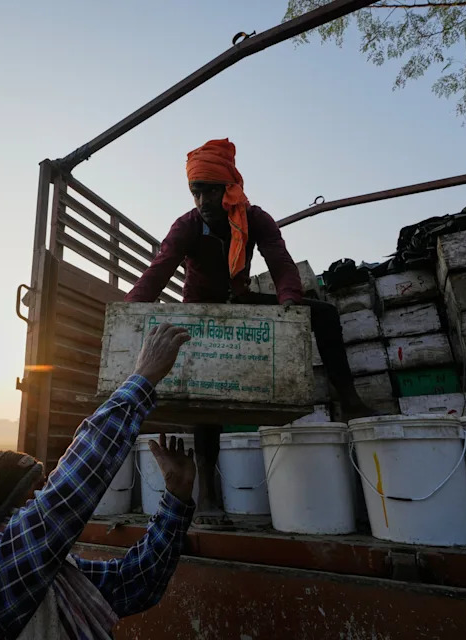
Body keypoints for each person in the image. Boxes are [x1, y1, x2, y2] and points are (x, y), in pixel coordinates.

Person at [125, 138, 372, 523]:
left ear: (230, 188)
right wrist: (128, 311)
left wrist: (289, 301)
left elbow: (280, 262)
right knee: (207, 387)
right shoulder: (187, 226)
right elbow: (159, 270)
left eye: (211, 189)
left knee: (321, 313)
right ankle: (207, 494)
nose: (204, 200)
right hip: (200, 311)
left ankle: (351, 400)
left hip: (238, 302)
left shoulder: (255, 219)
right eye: (196, 191)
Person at [0, 323, 196, 640]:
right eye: (34, 492)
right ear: (2, 512)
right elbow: (64, 498)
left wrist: (176, 497)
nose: (43, 496)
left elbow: (134, 583)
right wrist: (142, 380)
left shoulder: (44, 578)